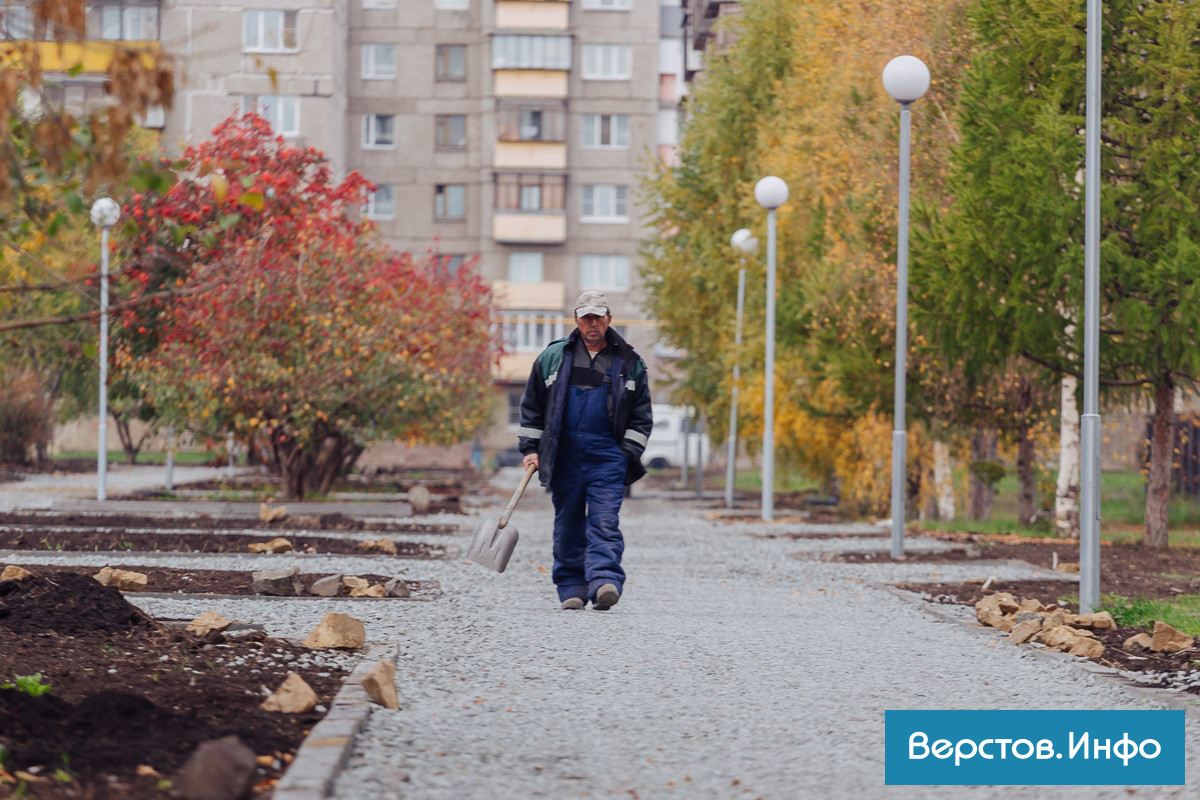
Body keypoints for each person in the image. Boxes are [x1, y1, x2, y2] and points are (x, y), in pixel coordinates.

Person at [517, 290, 653, 611]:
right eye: (585, 317)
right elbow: (532, 407)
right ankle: (572, 588)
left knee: (605, 522)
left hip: (607, 458)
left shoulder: (630, 363)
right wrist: (531, 449)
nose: (592, 323)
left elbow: (642, 416)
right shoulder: (552, 358)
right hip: (565, 458)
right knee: (568, 523)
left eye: (598, 317)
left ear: (608, 319)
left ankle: (605, 582)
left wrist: (626, 454)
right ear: (576, 320)